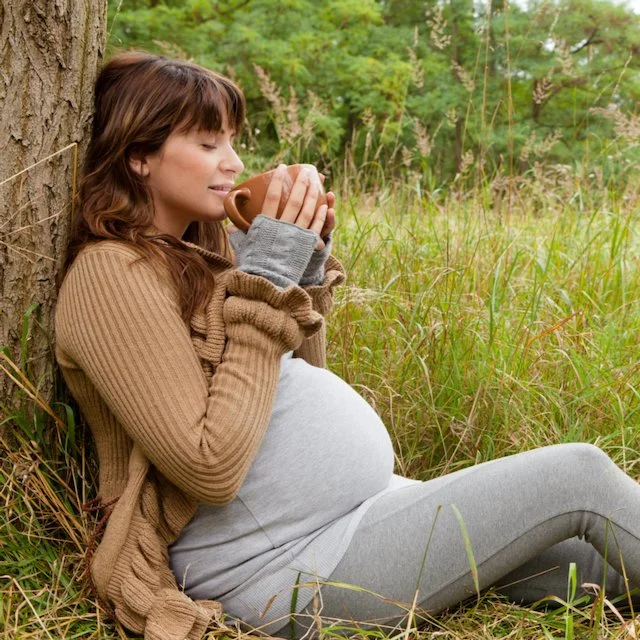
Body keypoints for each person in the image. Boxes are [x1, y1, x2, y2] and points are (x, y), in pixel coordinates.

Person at [55, 51, 640, 640]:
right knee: (578, 477)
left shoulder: (199, 257)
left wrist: (300, 266)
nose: (233, 163)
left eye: (233, 142)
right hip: (280, 568)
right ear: (138, 155)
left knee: (590, 565)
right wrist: (270, 278)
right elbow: (210, 468)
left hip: (360, 516)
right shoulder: (112, 275)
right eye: (208, 144)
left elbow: (291, 375)